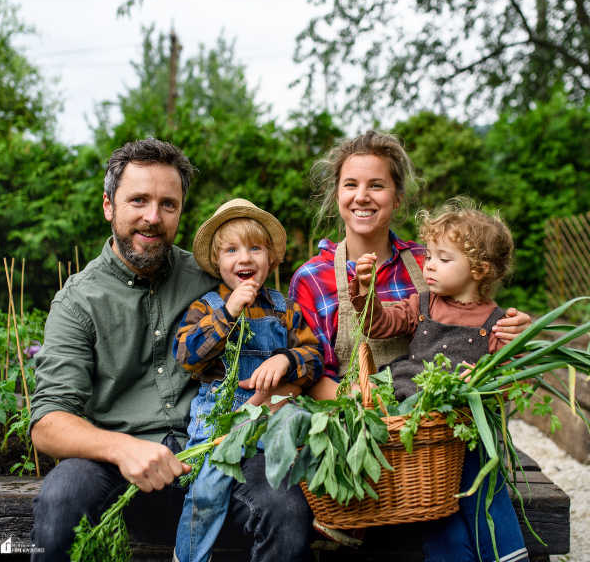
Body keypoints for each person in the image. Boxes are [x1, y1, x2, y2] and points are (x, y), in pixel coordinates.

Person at [29, 139, 314, 562]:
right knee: (61, 497)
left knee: (286, 506)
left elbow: (285, 338)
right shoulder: (78, 302)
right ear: (109, 205)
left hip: (220, 450)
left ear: (180, 210)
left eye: (168, 204)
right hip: (119, 467)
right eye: (138, 201)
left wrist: (283, 384)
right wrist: (123, 448)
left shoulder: (210, 277)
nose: (152, 217)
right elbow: (47, 423)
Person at [288, 131, 532, 559]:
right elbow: (310, 374)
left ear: (397, 198)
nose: (363, 196)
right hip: (358, 440)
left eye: (377, 185)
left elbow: (476, 318)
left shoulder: (431, 261)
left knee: (446, 529)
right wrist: (374, 415)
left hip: (431, 451)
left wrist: (510, 331)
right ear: (337, 194)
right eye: (351, 184)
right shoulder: (312, 277)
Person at [352, 199, 529, 562]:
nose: (429, 265)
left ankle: (507, 554)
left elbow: (514, 379)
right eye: (429, 255)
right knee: (438, 507)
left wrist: (485, 381)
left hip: (462, 429)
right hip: (418, 422)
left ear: (479, 269)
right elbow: (378, 325)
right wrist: (366, 291)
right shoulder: (423, 304)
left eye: (443, 259)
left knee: (482, 487)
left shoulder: (496, 321)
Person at [173, 199, 323, 562]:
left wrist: (287, 359)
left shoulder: (284, 308)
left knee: (305, 466)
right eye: (231, 250)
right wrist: (228, 313)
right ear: (217, 262)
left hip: (271, 416)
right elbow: (187, 356)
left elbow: (314, 359)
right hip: (220, 420)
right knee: (207, 489)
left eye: (255, 248)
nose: (245, 258)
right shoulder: (207, 306)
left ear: (270, 259)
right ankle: (189, 556)